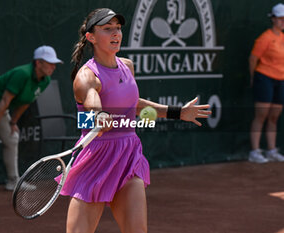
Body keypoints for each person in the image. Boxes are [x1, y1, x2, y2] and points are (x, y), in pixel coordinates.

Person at [60, 8, 211, 233]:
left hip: (128, 155)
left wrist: (177, 112)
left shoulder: (127, 66)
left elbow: (134, 104)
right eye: (107, 29)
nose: (116, 34)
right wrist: (99, 116)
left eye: (118, 28)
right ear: (91, 37)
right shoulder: (86, 76)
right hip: (96, 160)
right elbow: (92, 102)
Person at [0, 45, 63, 196]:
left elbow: (26, 102)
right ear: (38, 63)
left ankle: (13, 181)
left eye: (54, 63)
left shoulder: (44, 81)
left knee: (12, 138)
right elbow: (6, 99)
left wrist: (13, 122)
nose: (53, 66)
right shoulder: (22, 74)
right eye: (50, 62)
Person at [248, 3, 284, 163]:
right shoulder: (265, 38)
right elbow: (253, 59)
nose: (283, 22)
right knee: (261, 115)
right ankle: (255, 151)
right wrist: (253, 77)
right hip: (264, 78)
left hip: (281, 80)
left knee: (274, 117)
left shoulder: (283, 38)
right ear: (274, 19)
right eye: (281, 19)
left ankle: (272, 150)